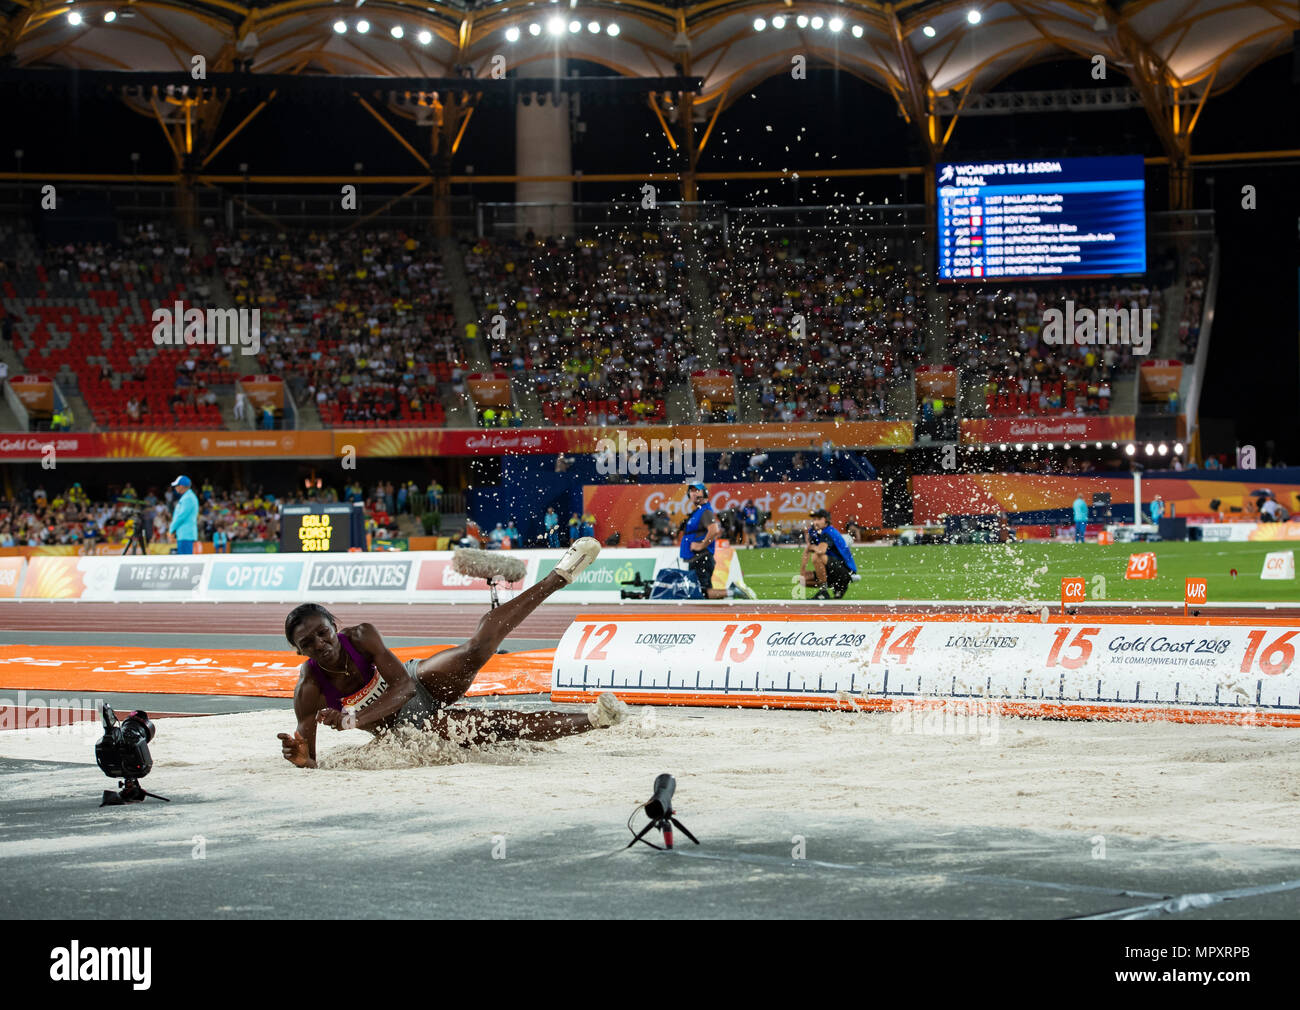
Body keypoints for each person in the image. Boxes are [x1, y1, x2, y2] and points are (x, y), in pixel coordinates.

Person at [277, 539, 627, 767]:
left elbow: (405, 687)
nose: (320, 644)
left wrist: (353, 720)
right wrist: (300, 757)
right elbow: (309, 758)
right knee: (498, 725)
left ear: (333, 626)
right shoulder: (310, 687)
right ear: (299, 651)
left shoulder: (362, 636)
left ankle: (557, 578)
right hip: (406, 726)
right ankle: (595, 719)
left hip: (416, 681)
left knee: (474, 649)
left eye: (323, 632)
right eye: (308, 643)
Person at [679, 482, 755, 600]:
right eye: (691, 491)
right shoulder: (699, 511)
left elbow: (714, 530)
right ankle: (728, 595)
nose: (694, 493)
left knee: (700, 593)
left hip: (701, 557)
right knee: (702, 593)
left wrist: (701, 545)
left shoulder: (705, 511)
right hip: (696, 558)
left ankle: (732, 592)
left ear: (704, 493)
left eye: (697, 490)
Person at [802, 509, 859, 600]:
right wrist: (802, 571)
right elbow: (807, 551)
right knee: (803, 580)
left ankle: (824, 591)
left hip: (846, 571)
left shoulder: (828, 532)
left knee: (817, 556)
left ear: (825, 520)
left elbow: (821, 551)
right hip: (834, 570)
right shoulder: (817, 533)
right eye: (814, 519)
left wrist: (812, 548)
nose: (815, 522)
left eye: (818, 519)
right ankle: (837, 587)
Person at [168, 475, 199, 554]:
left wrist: (171, 529)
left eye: (176, 486)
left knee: (185, 560)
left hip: (185, 535)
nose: (175, 488)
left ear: (181, 486)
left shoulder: (188, 498)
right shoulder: (187, 497)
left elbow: (181, 516)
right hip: (184, 534)